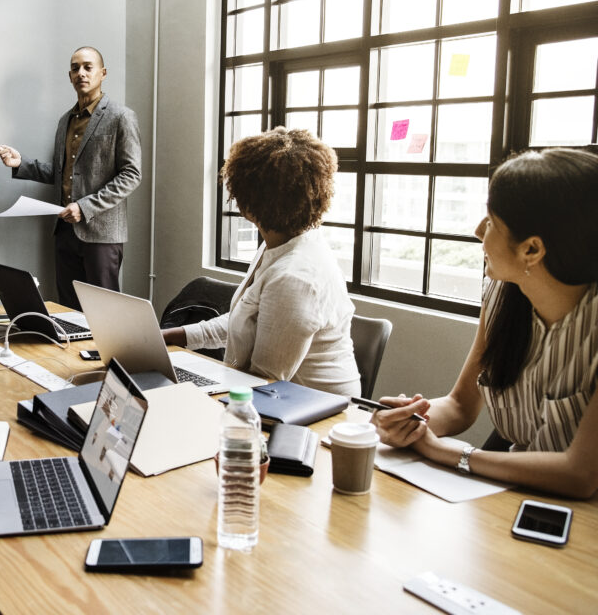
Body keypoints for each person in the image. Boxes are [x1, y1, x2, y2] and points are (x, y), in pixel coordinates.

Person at [373, 148, 598, 499]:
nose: (478, 231)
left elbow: (580, 475)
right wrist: (413, 423)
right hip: (512, 499)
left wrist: (446, 451)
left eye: (491, 221)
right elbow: (461, 406)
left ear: (532, 250)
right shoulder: (501, 294)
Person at [162, 127, 360, 397]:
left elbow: (263, 383)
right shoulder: (282, 243)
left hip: (314, 419)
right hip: (274, 398)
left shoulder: (294, 276)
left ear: (248, 205)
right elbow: (246, 321)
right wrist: (172, 336)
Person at [0, 47, 142, 309]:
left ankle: (107, 354)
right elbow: (64, 172)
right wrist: (21, 164)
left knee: (105, 312)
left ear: (103, 73)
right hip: (64, 232)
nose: (81, 73)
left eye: (88, 67)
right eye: (75, 68)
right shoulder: (65, 121)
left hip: (101, 235)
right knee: (69, 311)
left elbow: (131, 175)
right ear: (69, 76)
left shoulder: (121, 117)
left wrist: (85, 208)